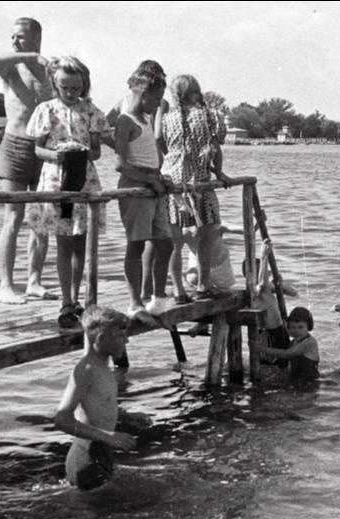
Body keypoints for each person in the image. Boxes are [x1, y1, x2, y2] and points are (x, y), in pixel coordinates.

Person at [25, 56, 108, 328]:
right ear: (55, 84)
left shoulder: (91, 110)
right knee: (63, 241)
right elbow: (37, 148)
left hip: (84, 178)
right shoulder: (46, 109)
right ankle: (66, 301)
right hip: (55, 178)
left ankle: (80, 298)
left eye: (76, 87)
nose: (71, 93)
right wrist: (57, 155)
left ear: (84, 84)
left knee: (81, 240)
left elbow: (96, 151)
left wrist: (82, 154)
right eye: (65, 87)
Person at [0, 17, 55, 304]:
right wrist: (31, 56)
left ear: (36, 38)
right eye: (12, 37)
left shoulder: (50, 71)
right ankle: (6, 285)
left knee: (41, 219)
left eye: (20, 37)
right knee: (13, 217)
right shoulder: (11, 66)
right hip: (15, 145)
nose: (14, 41)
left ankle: (34, 281)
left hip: (43, 148)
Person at [160, 74, 232, 301]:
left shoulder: (166, 119)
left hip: (173, 181)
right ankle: (202, 285)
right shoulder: (210, 115)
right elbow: (216, 146)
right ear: (196, 92)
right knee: (207, 236)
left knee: (175, 242)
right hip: (199, 181)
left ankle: (179, 290)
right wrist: (219, 172)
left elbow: (161, 143)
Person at [54, 305, 138, 490]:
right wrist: (109, 437)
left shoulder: (102, 365)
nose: (127, 341)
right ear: (101, 339)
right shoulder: (86, 370)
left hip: (101, 451)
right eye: (121, 336)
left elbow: (96, 409)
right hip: (86, 458)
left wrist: (128, 418)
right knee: (93, 514)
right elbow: (61, 419)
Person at [114, 67, 174, 324]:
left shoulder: (147, 119)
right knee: (136, 244)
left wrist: (160, 176)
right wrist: (149, 179)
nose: (159, 103)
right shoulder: (125, 120)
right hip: (135, 189)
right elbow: (120, 164)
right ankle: (135, 302)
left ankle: (158, 298)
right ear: (141, 92)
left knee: (165, 242)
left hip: (154, 188)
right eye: (156, 97)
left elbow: (151, 154)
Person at [249, 239, 298, 367]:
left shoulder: (267, 288)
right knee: (271, 366)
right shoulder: (256, 290)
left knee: (283, 365)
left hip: (279, 329)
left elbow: (293, 293)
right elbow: (262, 283)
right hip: (267, 333)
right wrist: (264, 256)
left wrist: (279, 284)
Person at [253, 306, 319, 381]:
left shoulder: (310, 342)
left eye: (300, 327)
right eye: (293, 327)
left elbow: (287, 354)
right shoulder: (294, 342)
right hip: (297, 379)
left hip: (309, 382)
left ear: (309, 327)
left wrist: (262, 349)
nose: (296, 331)